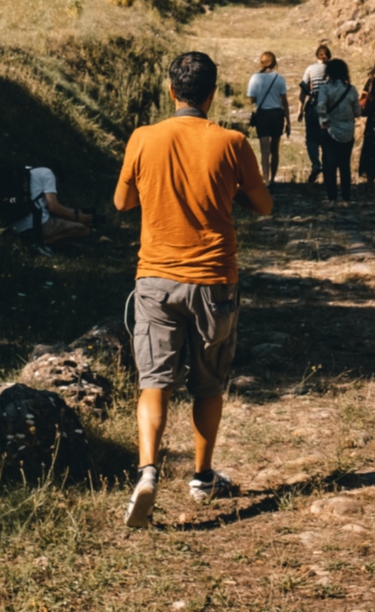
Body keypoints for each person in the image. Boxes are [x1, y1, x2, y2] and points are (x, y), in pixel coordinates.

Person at [113, 50, 275, 529]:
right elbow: (264, 205)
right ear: (211, 95)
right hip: (213, 281)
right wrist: (233, 191)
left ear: (170, 91)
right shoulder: (232, 142)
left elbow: (122, 201)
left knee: (153, 382)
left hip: (156, 280)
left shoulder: (143, 138)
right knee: (209, 382)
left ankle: (147, 471)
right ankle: (202, 477)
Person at [14, 165, 95, 250]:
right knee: (84, 230)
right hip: (33, 225)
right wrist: (77, 218)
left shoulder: (30, 172)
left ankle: (35, 240)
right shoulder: (48, 173)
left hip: (15, 223)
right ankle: (40, 243)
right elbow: (53, 208)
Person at [312, 56, 359, 205]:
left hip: (330, 129)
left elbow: (320, 106)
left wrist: (324, 121)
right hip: (348, 130)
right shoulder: (351, 90)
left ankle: (332, 198)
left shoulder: (325, 88)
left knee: (329, 165)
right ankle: (346, 198)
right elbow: (357, 111)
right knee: (345, 165)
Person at [246, 51, 290, 186]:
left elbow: (252, 99)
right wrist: (288, 121)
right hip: (277, 114)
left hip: (263, 114)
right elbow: (284, 101)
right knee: (274, 149)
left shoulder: (255, 78)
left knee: (264, 149)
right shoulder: (280, 78)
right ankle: (273, 178)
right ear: (275, 63)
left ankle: (265, 179)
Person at [298, 43, 331, 178]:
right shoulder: (331, 70)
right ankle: (328, 165)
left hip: (312, 105)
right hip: (328, 107)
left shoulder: (310, 69)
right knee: (327, 137)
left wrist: (300, 109)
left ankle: (316, 164)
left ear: (317, 55)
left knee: (311, 137)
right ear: (328, 56)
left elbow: (303, 90)